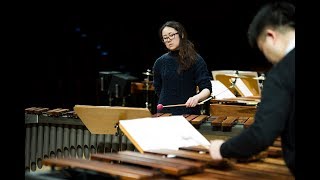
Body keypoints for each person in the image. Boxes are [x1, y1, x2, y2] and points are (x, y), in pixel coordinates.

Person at [209, 1, 295, 176]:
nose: (269, 59)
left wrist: (223, 149)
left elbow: (261, 135)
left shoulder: (282, 73)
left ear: (271, 36)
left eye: (264, 50)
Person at [153, 21, 212, 115]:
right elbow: (158, 88)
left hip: (188, 112)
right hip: (164, 113)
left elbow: (206, 88)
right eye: (165, 38)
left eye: (171, 35)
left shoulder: (196, 60)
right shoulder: (160, 62)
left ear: (182, 34)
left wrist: (196, 98)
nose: (168, 40)